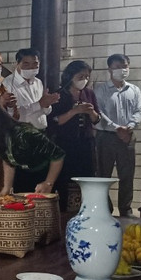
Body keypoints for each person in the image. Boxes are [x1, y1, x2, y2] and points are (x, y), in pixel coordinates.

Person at [0, 99, 65, 196]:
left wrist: (48, 183)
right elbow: (8, 160)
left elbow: (58, 155)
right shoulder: (1, 137)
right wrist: (7, 187)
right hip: (22, 175)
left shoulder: (24, 133)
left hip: (46, 174)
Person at [94, 53, 141, 217]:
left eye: (124, 66)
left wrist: (129, 127)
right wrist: (117, 128)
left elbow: (139, 111)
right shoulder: (100, 90)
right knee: (103, 175)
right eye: (117, 67)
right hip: (106, 137)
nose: (121, 70)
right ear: (109, 69)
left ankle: (125, 209)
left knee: (127, 174)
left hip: (128, 136)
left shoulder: (134, 90)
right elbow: (99, 112)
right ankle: (104, 208)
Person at [49, 60, 101, 212]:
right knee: (64, 178)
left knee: (87, 176)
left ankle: (87, 211)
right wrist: (75, 111)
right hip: (65, 142)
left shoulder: (89, 93)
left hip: (86, 142)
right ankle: (63, 212)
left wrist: (90, 112)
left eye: (86, 77)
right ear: (70, 76)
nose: (84, 80)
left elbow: (96, 119)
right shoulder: (60, 94)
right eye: (80, 76)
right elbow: (55, 121)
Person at [2, 48, 59, 130]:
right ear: (17, 63)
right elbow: (10, 113)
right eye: (26, 64)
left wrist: (47, 104)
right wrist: (39, 104)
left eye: (35, 64)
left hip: (41, 130)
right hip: (22, 132)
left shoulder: (38, 82)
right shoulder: (8, 83)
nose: (31, 68)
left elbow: (45, 112)